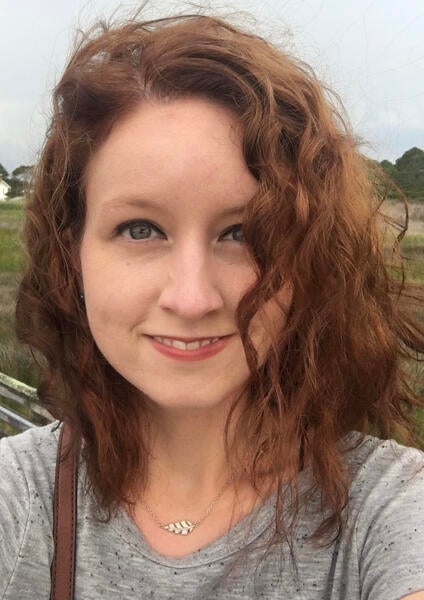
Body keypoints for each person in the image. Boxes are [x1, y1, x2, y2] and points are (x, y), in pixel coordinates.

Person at [1, 11, 423, 600]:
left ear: (311, 257)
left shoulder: (395, 512)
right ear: (73, 255)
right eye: (141, 229)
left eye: (243, 234)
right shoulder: (16, 498)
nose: (193, 298)